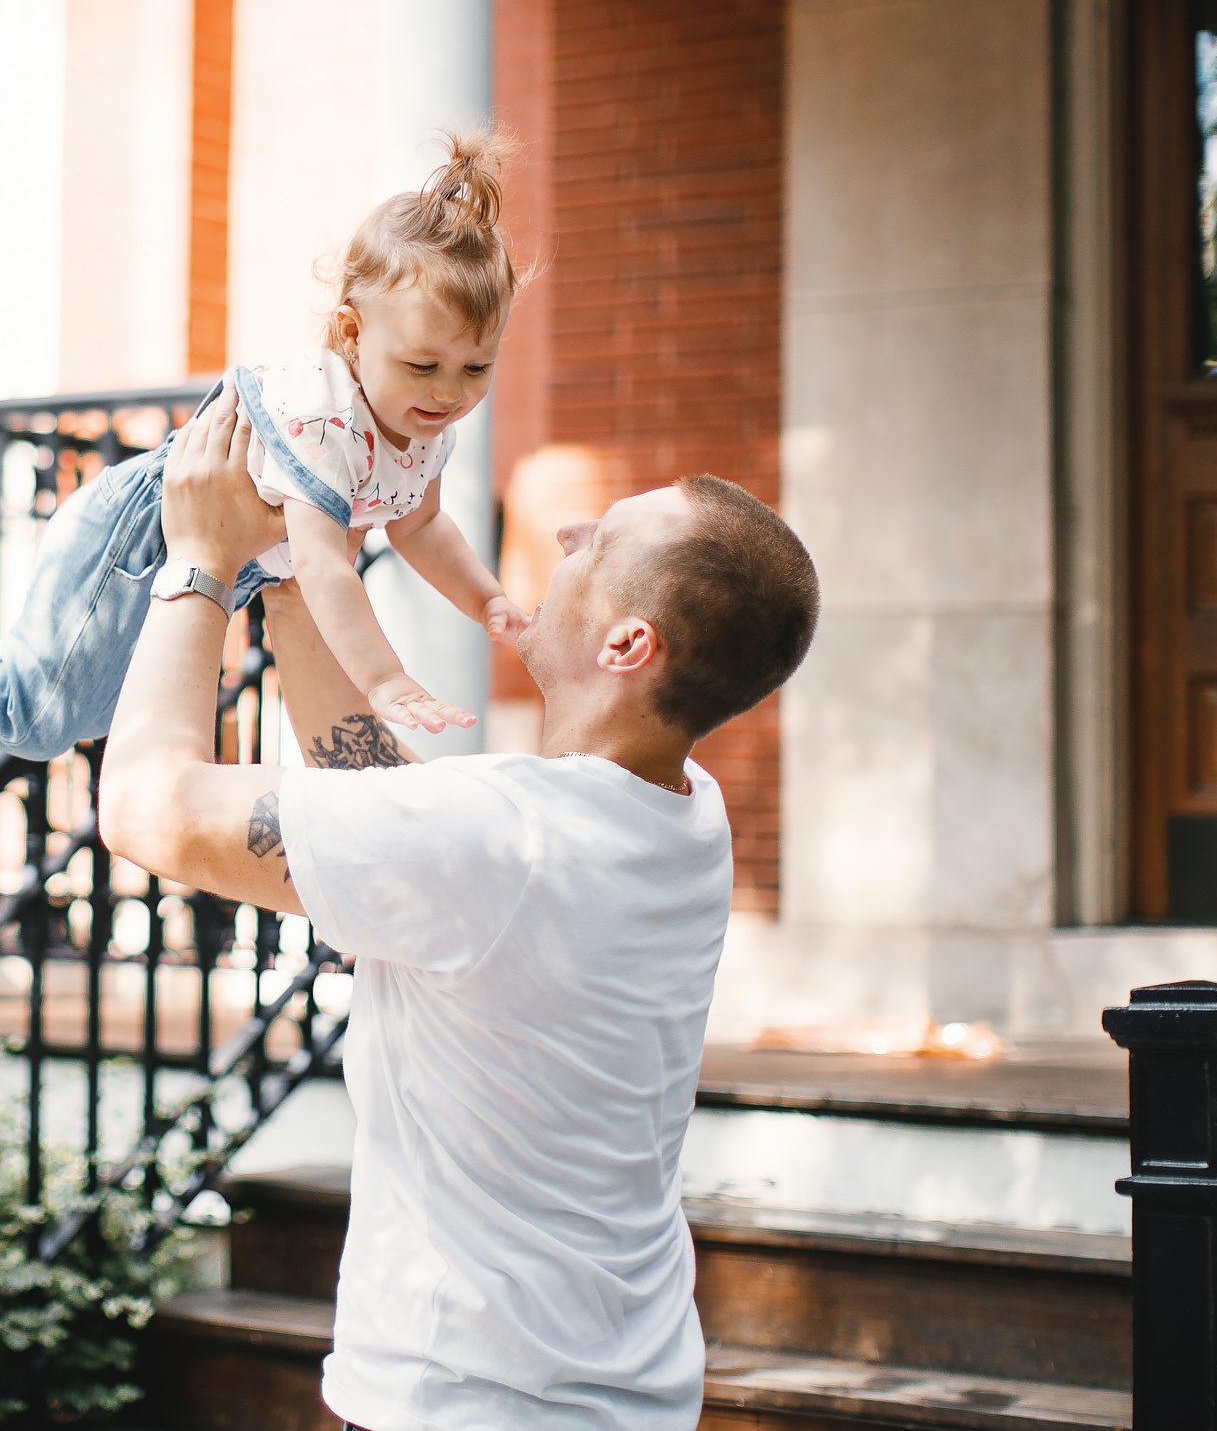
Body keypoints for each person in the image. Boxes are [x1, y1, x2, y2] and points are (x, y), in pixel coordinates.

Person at [96, 387, 820, 1430]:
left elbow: (141, 807)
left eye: (600, 540)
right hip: (622, 1395)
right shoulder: (681, 813)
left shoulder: (503, 838)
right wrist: (296, 570)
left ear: (627, 646)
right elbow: (400, 819)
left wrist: (198, 562)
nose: (569, 531)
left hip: (466, 1404)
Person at [0, 132, 531, 758]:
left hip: (213, 557)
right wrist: (384, 678)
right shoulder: (327, 419)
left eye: (476, 368)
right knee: (34, 717)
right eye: (423, 365)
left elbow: (421, 525)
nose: (448, 391)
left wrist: (486, 596)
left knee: (88, 720)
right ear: (351, 333)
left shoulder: (423, 430)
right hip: (137, 534)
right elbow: (321, 564)